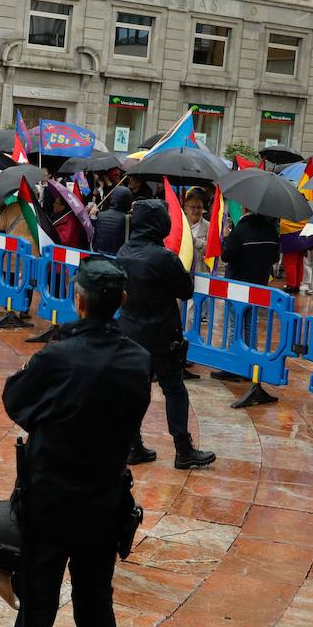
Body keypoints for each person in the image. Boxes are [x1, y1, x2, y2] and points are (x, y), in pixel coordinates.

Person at [2, 258, 151, 627]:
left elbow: (16, 400)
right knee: (94, 599)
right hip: (103, 499)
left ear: (78, 301)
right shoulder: (138, 360)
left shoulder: (57, 356)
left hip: (51, 500)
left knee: (37, 605)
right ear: (122, 302)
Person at [118, 199, 216, 469]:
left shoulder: (124, 251)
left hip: (130, 332)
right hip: (162, 334)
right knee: (174, 389)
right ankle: (183, 450)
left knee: (136, 391)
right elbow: (185, 290)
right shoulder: (162, 257)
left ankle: (133, 446)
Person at [222, 208, 279, 286]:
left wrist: (226, 238)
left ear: (245, 209)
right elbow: (275, 258)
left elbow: (225, 256)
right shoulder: (272, 230)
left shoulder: (239, 230)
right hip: (261, 283)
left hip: (237, 284)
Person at [91, 185, 133, 255]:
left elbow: (95, 240)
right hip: (117, 259)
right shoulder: (128, 219)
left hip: (99, 256)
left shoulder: (100, 215)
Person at [184, 189, 209, 272]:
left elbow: (213, 250)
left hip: (201, 275)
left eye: (199, 207)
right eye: (193, 207)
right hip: (181, 273)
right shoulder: (179, 225)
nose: (196, 210)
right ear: (185, 208)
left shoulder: (209, 227)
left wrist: (195, 241)